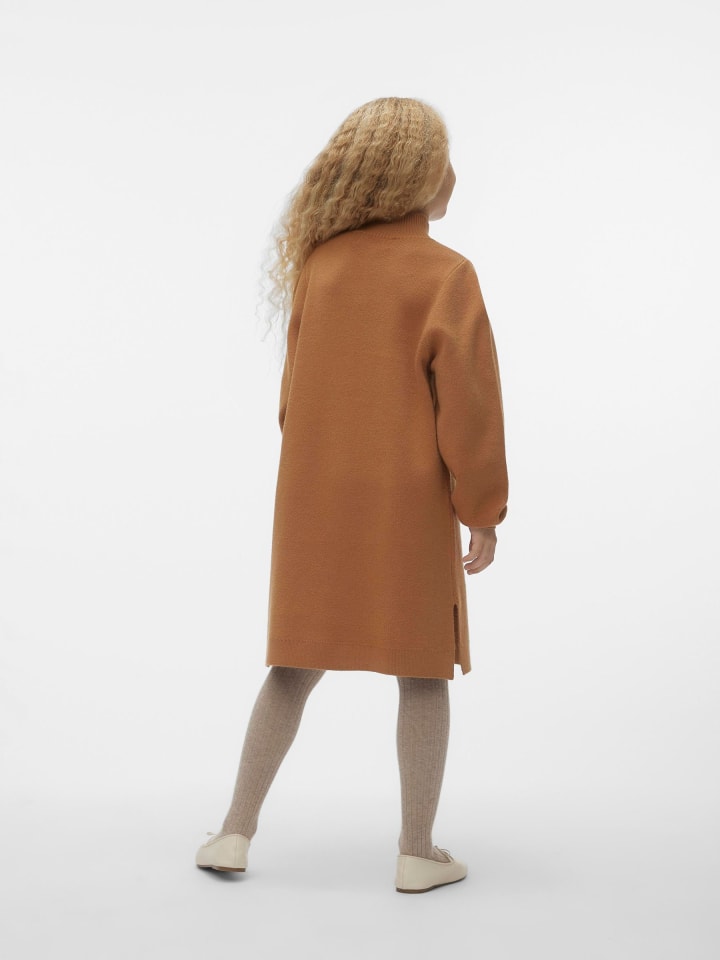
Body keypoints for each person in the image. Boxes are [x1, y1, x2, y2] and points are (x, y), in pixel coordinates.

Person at [195, 96, 509, 894]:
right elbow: (469, 409)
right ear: (414, 176)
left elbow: (291, 403)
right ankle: (417, 851)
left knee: (292, 666)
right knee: (422, 672)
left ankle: (233, 831)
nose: (454, 176)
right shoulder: (446, 274)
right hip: (407, 507)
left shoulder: (321, 268)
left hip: (315, 502)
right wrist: (482, 508)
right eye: (444, 160)